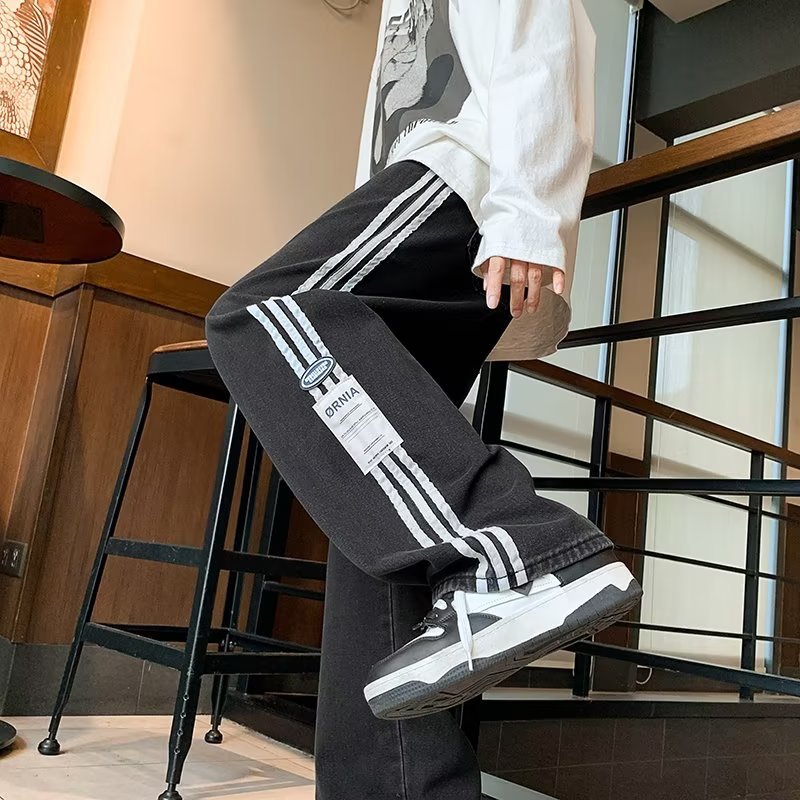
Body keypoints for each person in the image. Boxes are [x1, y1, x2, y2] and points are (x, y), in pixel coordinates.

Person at [205, 1, 642, 797]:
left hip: (464, 180)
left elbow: (538, 30)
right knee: (376, 519)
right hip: (437, 196)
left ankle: (514, 549)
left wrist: (527, 210)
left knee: (259, 313)